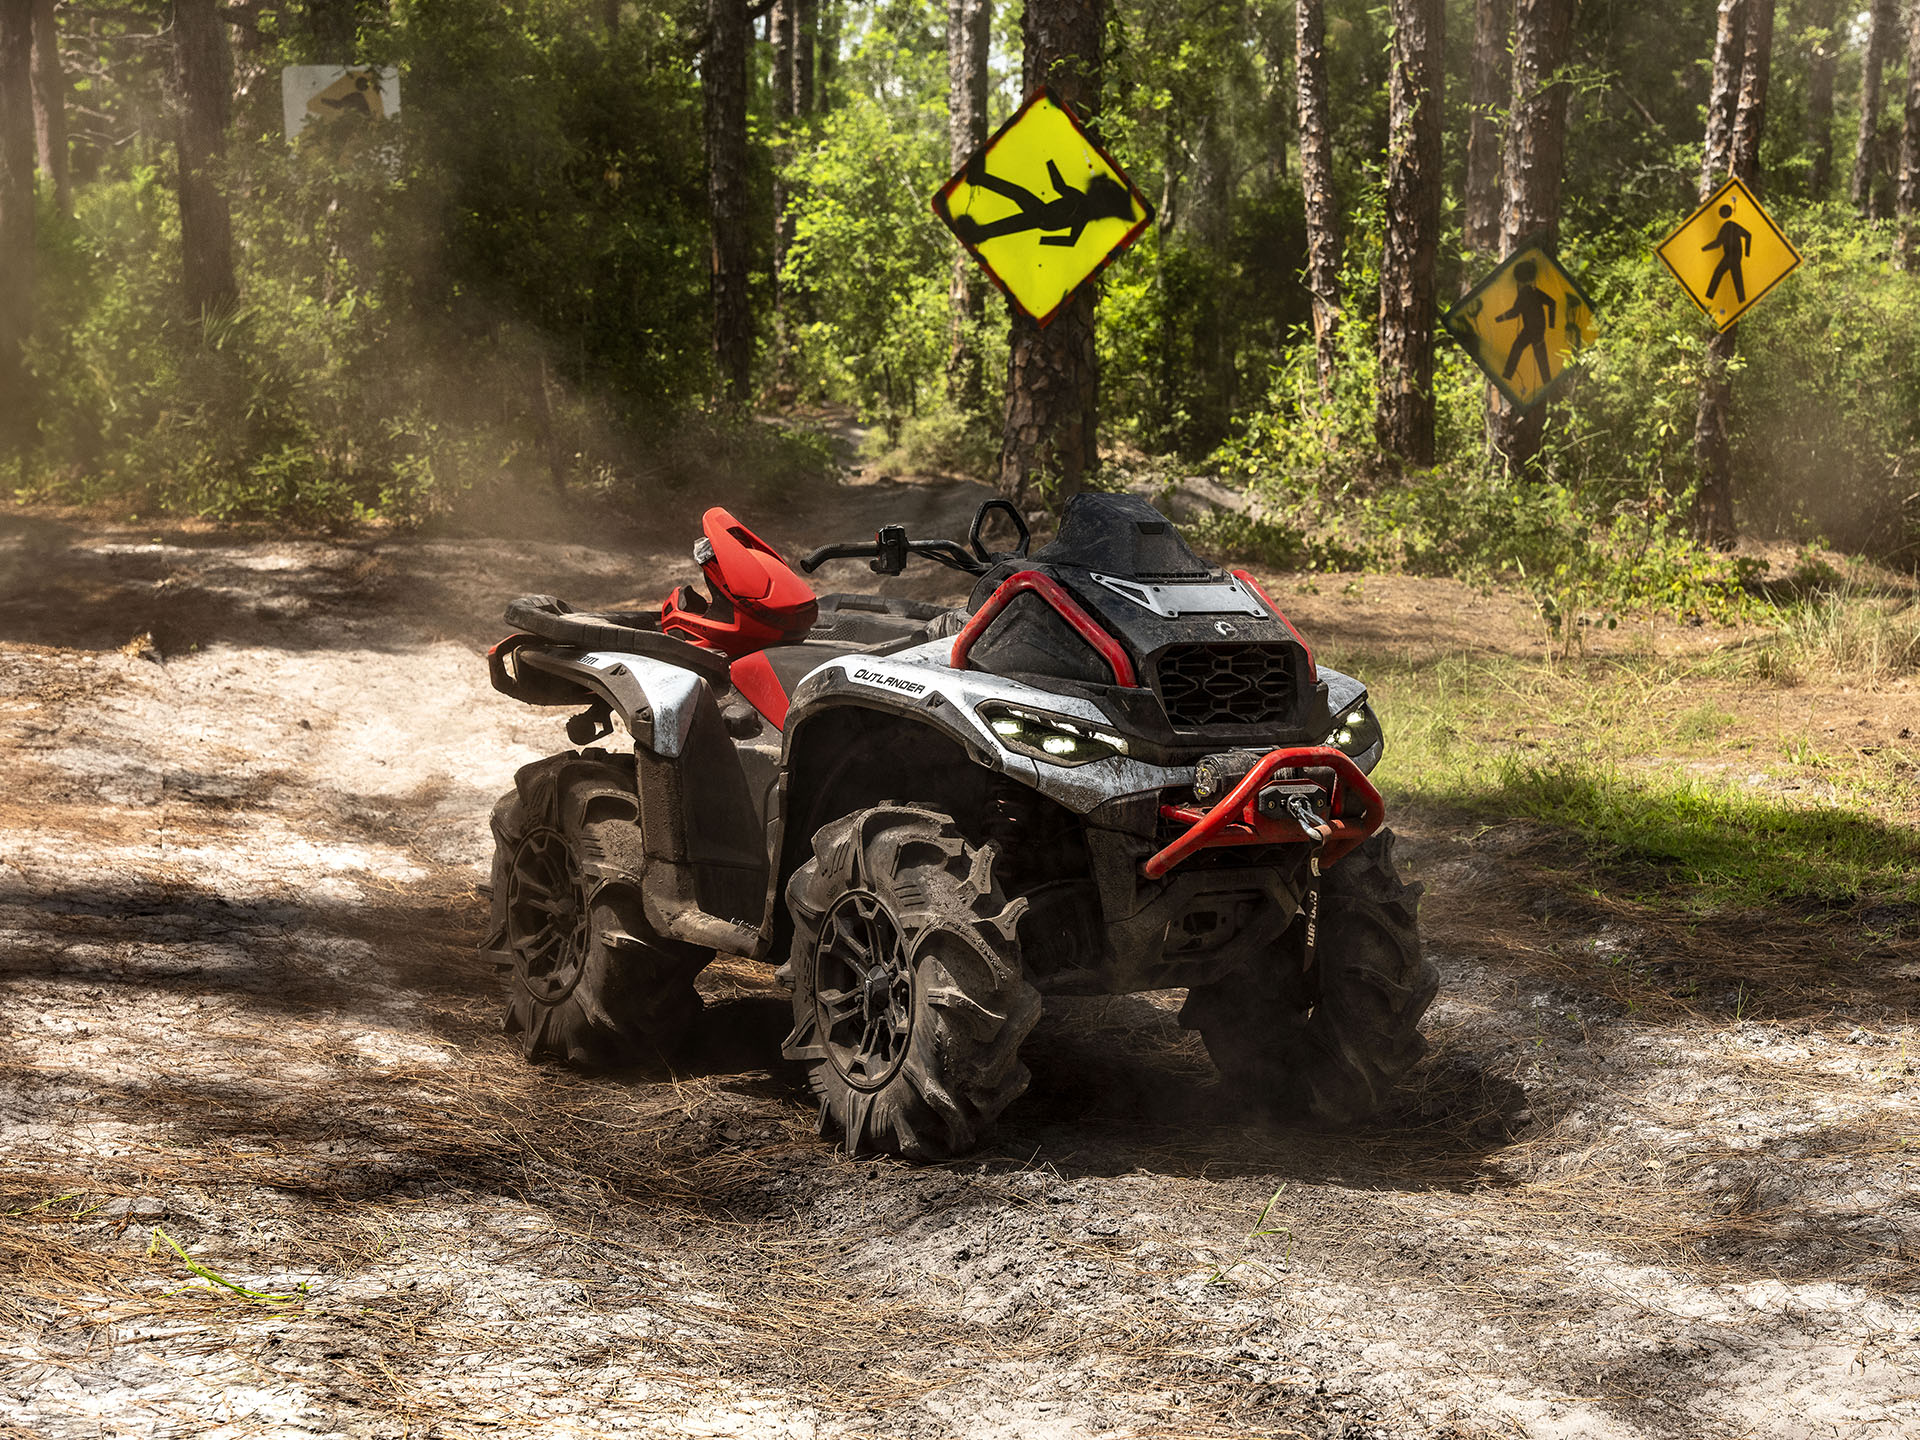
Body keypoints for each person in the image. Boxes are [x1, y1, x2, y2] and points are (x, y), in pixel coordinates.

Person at [1496, 259, 1556, 386]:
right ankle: (1547, 383)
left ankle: (1508, 375)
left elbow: (1515, 312)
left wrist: (1498, 319)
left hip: (1532, 330)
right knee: (1537, 356)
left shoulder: (1525, 293)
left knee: (1521, 349)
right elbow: (1552, 303)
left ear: (1519, 280)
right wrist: (1550, 325)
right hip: (1537, 329)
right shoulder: (1534, 291)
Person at [1702, 203, 1752, 305]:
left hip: (1732, 256)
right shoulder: (1727, 226)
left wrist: (1747, 253)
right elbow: (1718, 243)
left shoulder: (1729, 225)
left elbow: (1748, 235)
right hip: (1732, 256)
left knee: (1719, 273)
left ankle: (1709, 299)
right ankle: (1741, 301)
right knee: (1736, 278)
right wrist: (1703, 249)